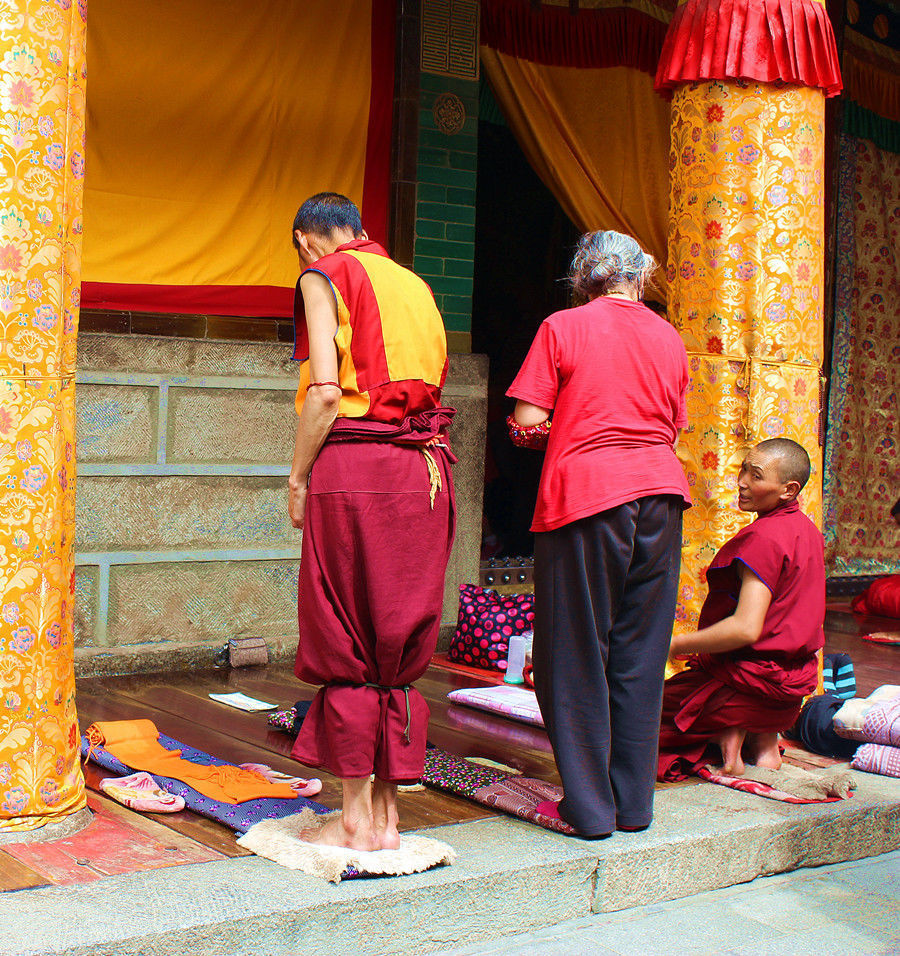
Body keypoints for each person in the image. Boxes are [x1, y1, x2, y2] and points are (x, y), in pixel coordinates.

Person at [506, 230, 691, 838]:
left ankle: (588, 810)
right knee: (640, 653)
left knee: (575, 652)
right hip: (662, 495)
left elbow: (528, 420)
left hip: (587, 495)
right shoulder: (668, 336)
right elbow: (672, 424)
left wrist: (551, 430)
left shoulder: (563, 326)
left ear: (585, 278)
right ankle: (633, 807)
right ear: (640, 275)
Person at [286, 192, 456, 850]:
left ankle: (354, 817)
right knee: (399, 641)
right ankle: (387, 817)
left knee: (346, 635)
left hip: (357, 472)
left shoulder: (322, 275)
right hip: (426, 474)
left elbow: (327, 392)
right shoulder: (414, 282)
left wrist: (298, 475)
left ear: (308, 240)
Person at [657, 438, 825, 781]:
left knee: (632, 717)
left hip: (752, 686)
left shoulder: (764, 538)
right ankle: (756, 745)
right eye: (743, 469)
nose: (742, 481)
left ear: (788, 490)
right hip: (789, 697)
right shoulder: (807, 531)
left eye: (756, 475)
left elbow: (746, 629)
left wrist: (674, 644)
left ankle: (728, 734)